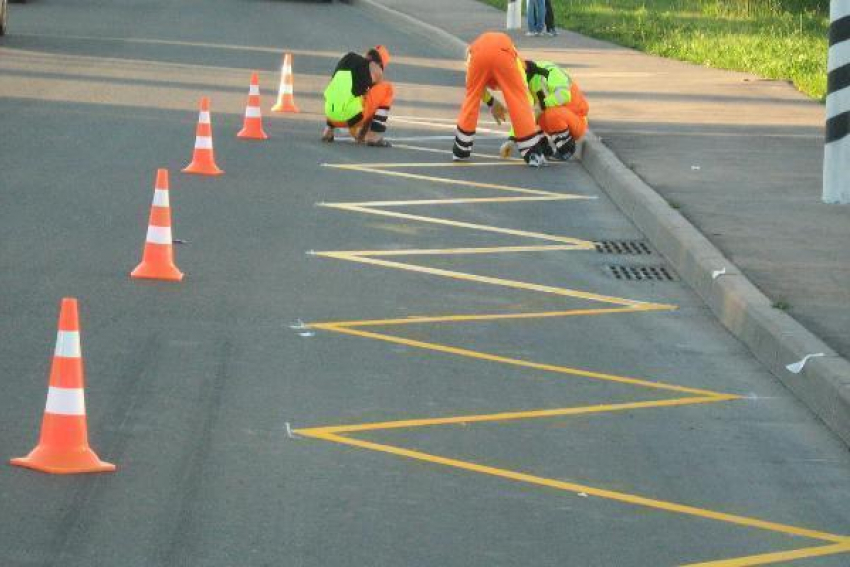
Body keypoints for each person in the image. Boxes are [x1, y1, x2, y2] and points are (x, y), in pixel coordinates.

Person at [453, 32, 547, 167]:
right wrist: (514, 137)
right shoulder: (517, 61)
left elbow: (473, 86)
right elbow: (522, 103)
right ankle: (532, 153)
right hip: (503, 53)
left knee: (471, 97)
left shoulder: (471, 54)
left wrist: (492, 103)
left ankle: (460, 150)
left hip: (477, 53)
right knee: (518, 100)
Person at [499, 60, 589, 161]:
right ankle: (545, 149)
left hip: (577, 119)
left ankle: (567, 148)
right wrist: (511, 140)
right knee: (534, 116)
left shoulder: (548, 72)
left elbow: (564, 95)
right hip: (562, 118)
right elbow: (524, 115)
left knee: (550, 114)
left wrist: (542, 104)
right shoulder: (528, 81)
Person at [322, 45, 393, 147]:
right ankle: (374, 135)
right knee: (387, 89)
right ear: (381, 63)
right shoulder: (376, 70)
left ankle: (328, 131)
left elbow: (335, 89)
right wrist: (361, 135)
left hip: (330, 115)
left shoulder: (347, 59)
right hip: (351, 118)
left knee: (339, 91)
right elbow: (372, 106)